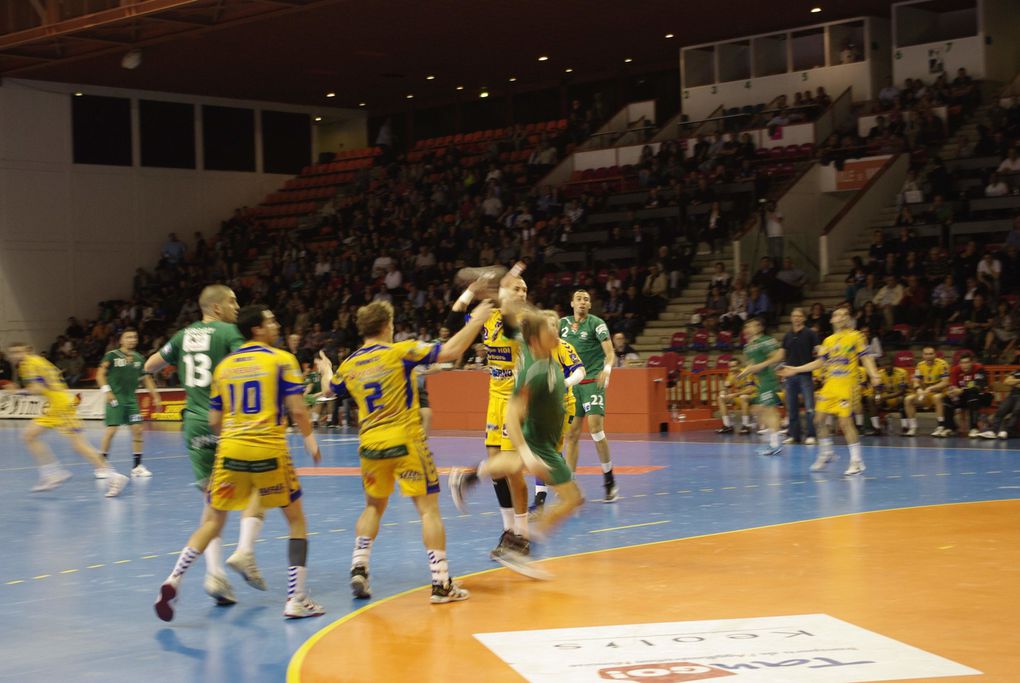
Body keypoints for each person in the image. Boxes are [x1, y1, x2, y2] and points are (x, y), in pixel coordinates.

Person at [154, 305, 324, 622]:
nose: (276, 324)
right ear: (257, 329)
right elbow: (298, 409)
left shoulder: (225, 366)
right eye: (271, 320)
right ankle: (296, 598)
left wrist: (233, 436)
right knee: (296, 522)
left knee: (211, 522)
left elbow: (215, 418)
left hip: (230, 451)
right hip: (268, 450)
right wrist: (310, 439)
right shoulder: (280, 359)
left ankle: (173, 579)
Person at [316, 299, 492, 603]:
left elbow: (329, 389)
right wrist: (476, 320)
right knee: (428, 510)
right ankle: (441, 584)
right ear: (388, 325)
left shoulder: (351, 364)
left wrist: (327, 368)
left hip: (371, 446)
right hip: (406, 441)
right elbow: (449, 351)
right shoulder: (400, 351)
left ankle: (359, 566)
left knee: (373, 506)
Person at [449, 306, 585, 580]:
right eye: (550, 331)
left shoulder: (536, 348)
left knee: (520, 470)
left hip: (544, 437)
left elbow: (515, 325)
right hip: (538, 440)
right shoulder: (534, 370)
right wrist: (526, 450)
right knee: (571, 498)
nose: (555, 334)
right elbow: (512, 415)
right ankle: (523, 545)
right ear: (536, 339)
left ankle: (472, 476)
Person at [144, 284, 256, 606]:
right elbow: (248, 362)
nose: (237, 306)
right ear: (217, 307)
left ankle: (214, 575)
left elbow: (151, 365)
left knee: (213, 504)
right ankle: (243, 552)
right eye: (233, 301)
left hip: (193, 425)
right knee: (259, 486)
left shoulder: (182, 336)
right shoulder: (228, 332)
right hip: (226, 421)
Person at [449, 264, 530, 559]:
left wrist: (505, 282)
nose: (521, 293)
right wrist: (472, 289)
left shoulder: (525, 320)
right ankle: (509, 532)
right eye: (516, 288)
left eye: (524, 289)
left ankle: (522, 535)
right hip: (495, 395)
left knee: (513, 469)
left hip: (517, 398)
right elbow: (453, 323)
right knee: (498, 468)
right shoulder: (490, 318)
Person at [4, 342, 129, 496]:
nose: (16, 355)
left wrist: (17, 392)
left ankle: (113, 476)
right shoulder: (37, 361)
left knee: (80, 446)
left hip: (60, 405)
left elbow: (37, 388)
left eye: (19, 351)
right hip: (56, 404)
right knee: (29, 436)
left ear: (27, 351)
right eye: (13, 352)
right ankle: (52, 473)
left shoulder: (28, 364)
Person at [779, 307, 880, 476]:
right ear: (832, 320)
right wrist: (795, 369)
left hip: (847, 385)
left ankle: (857, 461)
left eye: (845, 314)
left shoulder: (856, 336)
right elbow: (819, 363)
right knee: (818, 420)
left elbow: (866, 358)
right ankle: (827, 453)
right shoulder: (828, 341)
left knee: (845, 423)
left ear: (848, 319)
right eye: (838, 314)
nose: (842, 317)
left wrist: (874, 375)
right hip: (830, 385)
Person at [561, 289, 618, 501]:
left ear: (590, 305)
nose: (582, 302)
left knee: (595, 429)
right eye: (578, 299)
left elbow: (610, 353)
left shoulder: (597, 323)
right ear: (572, 303)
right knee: (571, 435)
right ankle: (570, 485)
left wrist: (607, 369)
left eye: (586, 299)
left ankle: (609, 477)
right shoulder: (562, 325)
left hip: (593, 380)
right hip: (571, 383)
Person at [531, 310, 585, 512]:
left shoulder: (563, 347)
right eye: (547, 325)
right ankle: (568, 486)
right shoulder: (533, 349)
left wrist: (565, 382)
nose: (552, 329)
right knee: (544, 450)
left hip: (563, 405)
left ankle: (541, 497)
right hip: (540, 405)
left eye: (555, 325)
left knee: (546, 449)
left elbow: (581, 370)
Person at [96, 328, 162, 477]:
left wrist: (156, 396)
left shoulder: (139, 358)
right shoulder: (111, 356)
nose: (132, 339)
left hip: (131, 401)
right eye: (128, 337)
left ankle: (137, 466)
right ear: (121, 340)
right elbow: (100, 375)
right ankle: (101, 466)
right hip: (115, 399)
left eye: (134, 337)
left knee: (137, 430)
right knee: (111, 430)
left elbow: (146, 378)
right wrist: (107, 392)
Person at [737, 318, 785, 456]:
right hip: (760, 381)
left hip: (769, 378)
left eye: (751, 326)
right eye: (746, 327)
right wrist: (745, 372)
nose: (747, 329)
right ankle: (773, 439)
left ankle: (775, 443)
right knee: (758, 410)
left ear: (759, 328)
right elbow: (752, 365)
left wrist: (763, 366)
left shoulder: (766, 341)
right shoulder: (747, 346)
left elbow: (778, 357)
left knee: (769, 410)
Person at [781, 308, 819, 445]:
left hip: (805, 375)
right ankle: (793, 435)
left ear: (803, 318)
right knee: (791, 407)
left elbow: (818, 351)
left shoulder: (810, 333)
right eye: (794, 316)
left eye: (799, 316)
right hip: (790, 376)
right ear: (791, 318)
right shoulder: (787, 336)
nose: (796, 318)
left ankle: (811, 435)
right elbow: (782, 354)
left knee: (809, 407)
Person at [903, 347, 951, 437]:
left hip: (940, 392)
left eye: (931, 354)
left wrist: (931, 388)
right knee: (908, 399)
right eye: (926, 354)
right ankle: (913, 427)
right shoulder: (920, 365)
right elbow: (916, 381)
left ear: (935, 354)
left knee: (936, 397)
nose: (929, 356)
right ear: (923, 355)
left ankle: (940, 426)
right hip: (926, 393)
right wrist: (918, 389)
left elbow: (945, 382)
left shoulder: (942, 364)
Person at [944, 352, 991, 437]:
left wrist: (962, 390)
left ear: (972, 362)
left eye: (967, 363)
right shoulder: (956, 370)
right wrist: (951, 391)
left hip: (982, 396)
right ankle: (950, 427)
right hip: (963, 397)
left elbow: (979, 386)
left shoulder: (979, 369)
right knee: (947, 398)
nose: (964, 365)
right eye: (962, 363)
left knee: (972, 395)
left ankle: (974, 428)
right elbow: (953, 385)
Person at [715, 358, 756, 435]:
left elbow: (750, 390)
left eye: (734, 366)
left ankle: (746, 426)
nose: (732, 369)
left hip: (753, 396)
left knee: (744, 397)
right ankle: (727, 426)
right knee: (720, 398)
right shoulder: (731, 375)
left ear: (739, 365)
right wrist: (723, 392)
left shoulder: (746, 373)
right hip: (739, 397)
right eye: (730, 367)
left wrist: (734, 394)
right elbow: (726, 386)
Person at [981, 368, 1020, 439]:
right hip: (1013, 395)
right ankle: (993, 431)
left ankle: (1006, 431)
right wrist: (1018, 381)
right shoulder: (1017, 371)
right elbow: (1006, 381)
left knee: (1017, 410)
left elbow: (1012, 383)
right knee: (1001, 409)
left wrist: (1014, 382)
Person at [874, 355, 910, 434]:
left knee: (901, 399)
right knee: (876, 400)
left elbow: (902, 391)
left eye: (890, 364)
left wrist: (885, 397)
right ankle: (877, 427)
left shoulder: (901, 372)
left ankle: (905, 426)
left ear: (893, 365)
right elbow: (877, 389)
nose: (888, 366)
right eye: (886, 365)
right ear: (883, 365)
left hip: (898, 396)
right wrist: (878, 396)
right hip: (886, 397)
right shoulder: (879, 374)